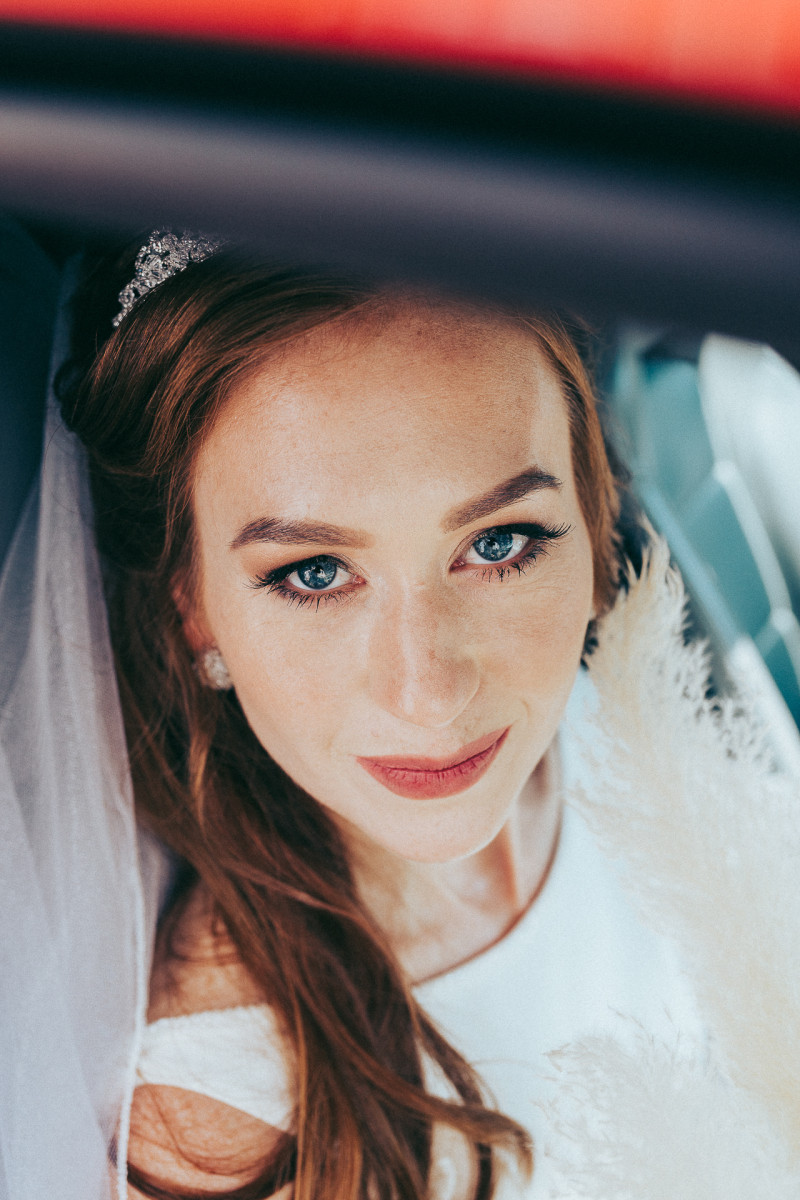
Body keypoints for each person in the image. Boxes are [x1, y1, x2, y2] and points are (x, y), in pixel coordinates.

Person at [0, 231, 725, 1200]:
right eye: (314, 574)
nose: (429, 694)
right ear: (193, 609)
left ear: (591, 522)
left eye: (499, 544)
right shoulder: (226, 1134)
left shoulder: (649, 726)